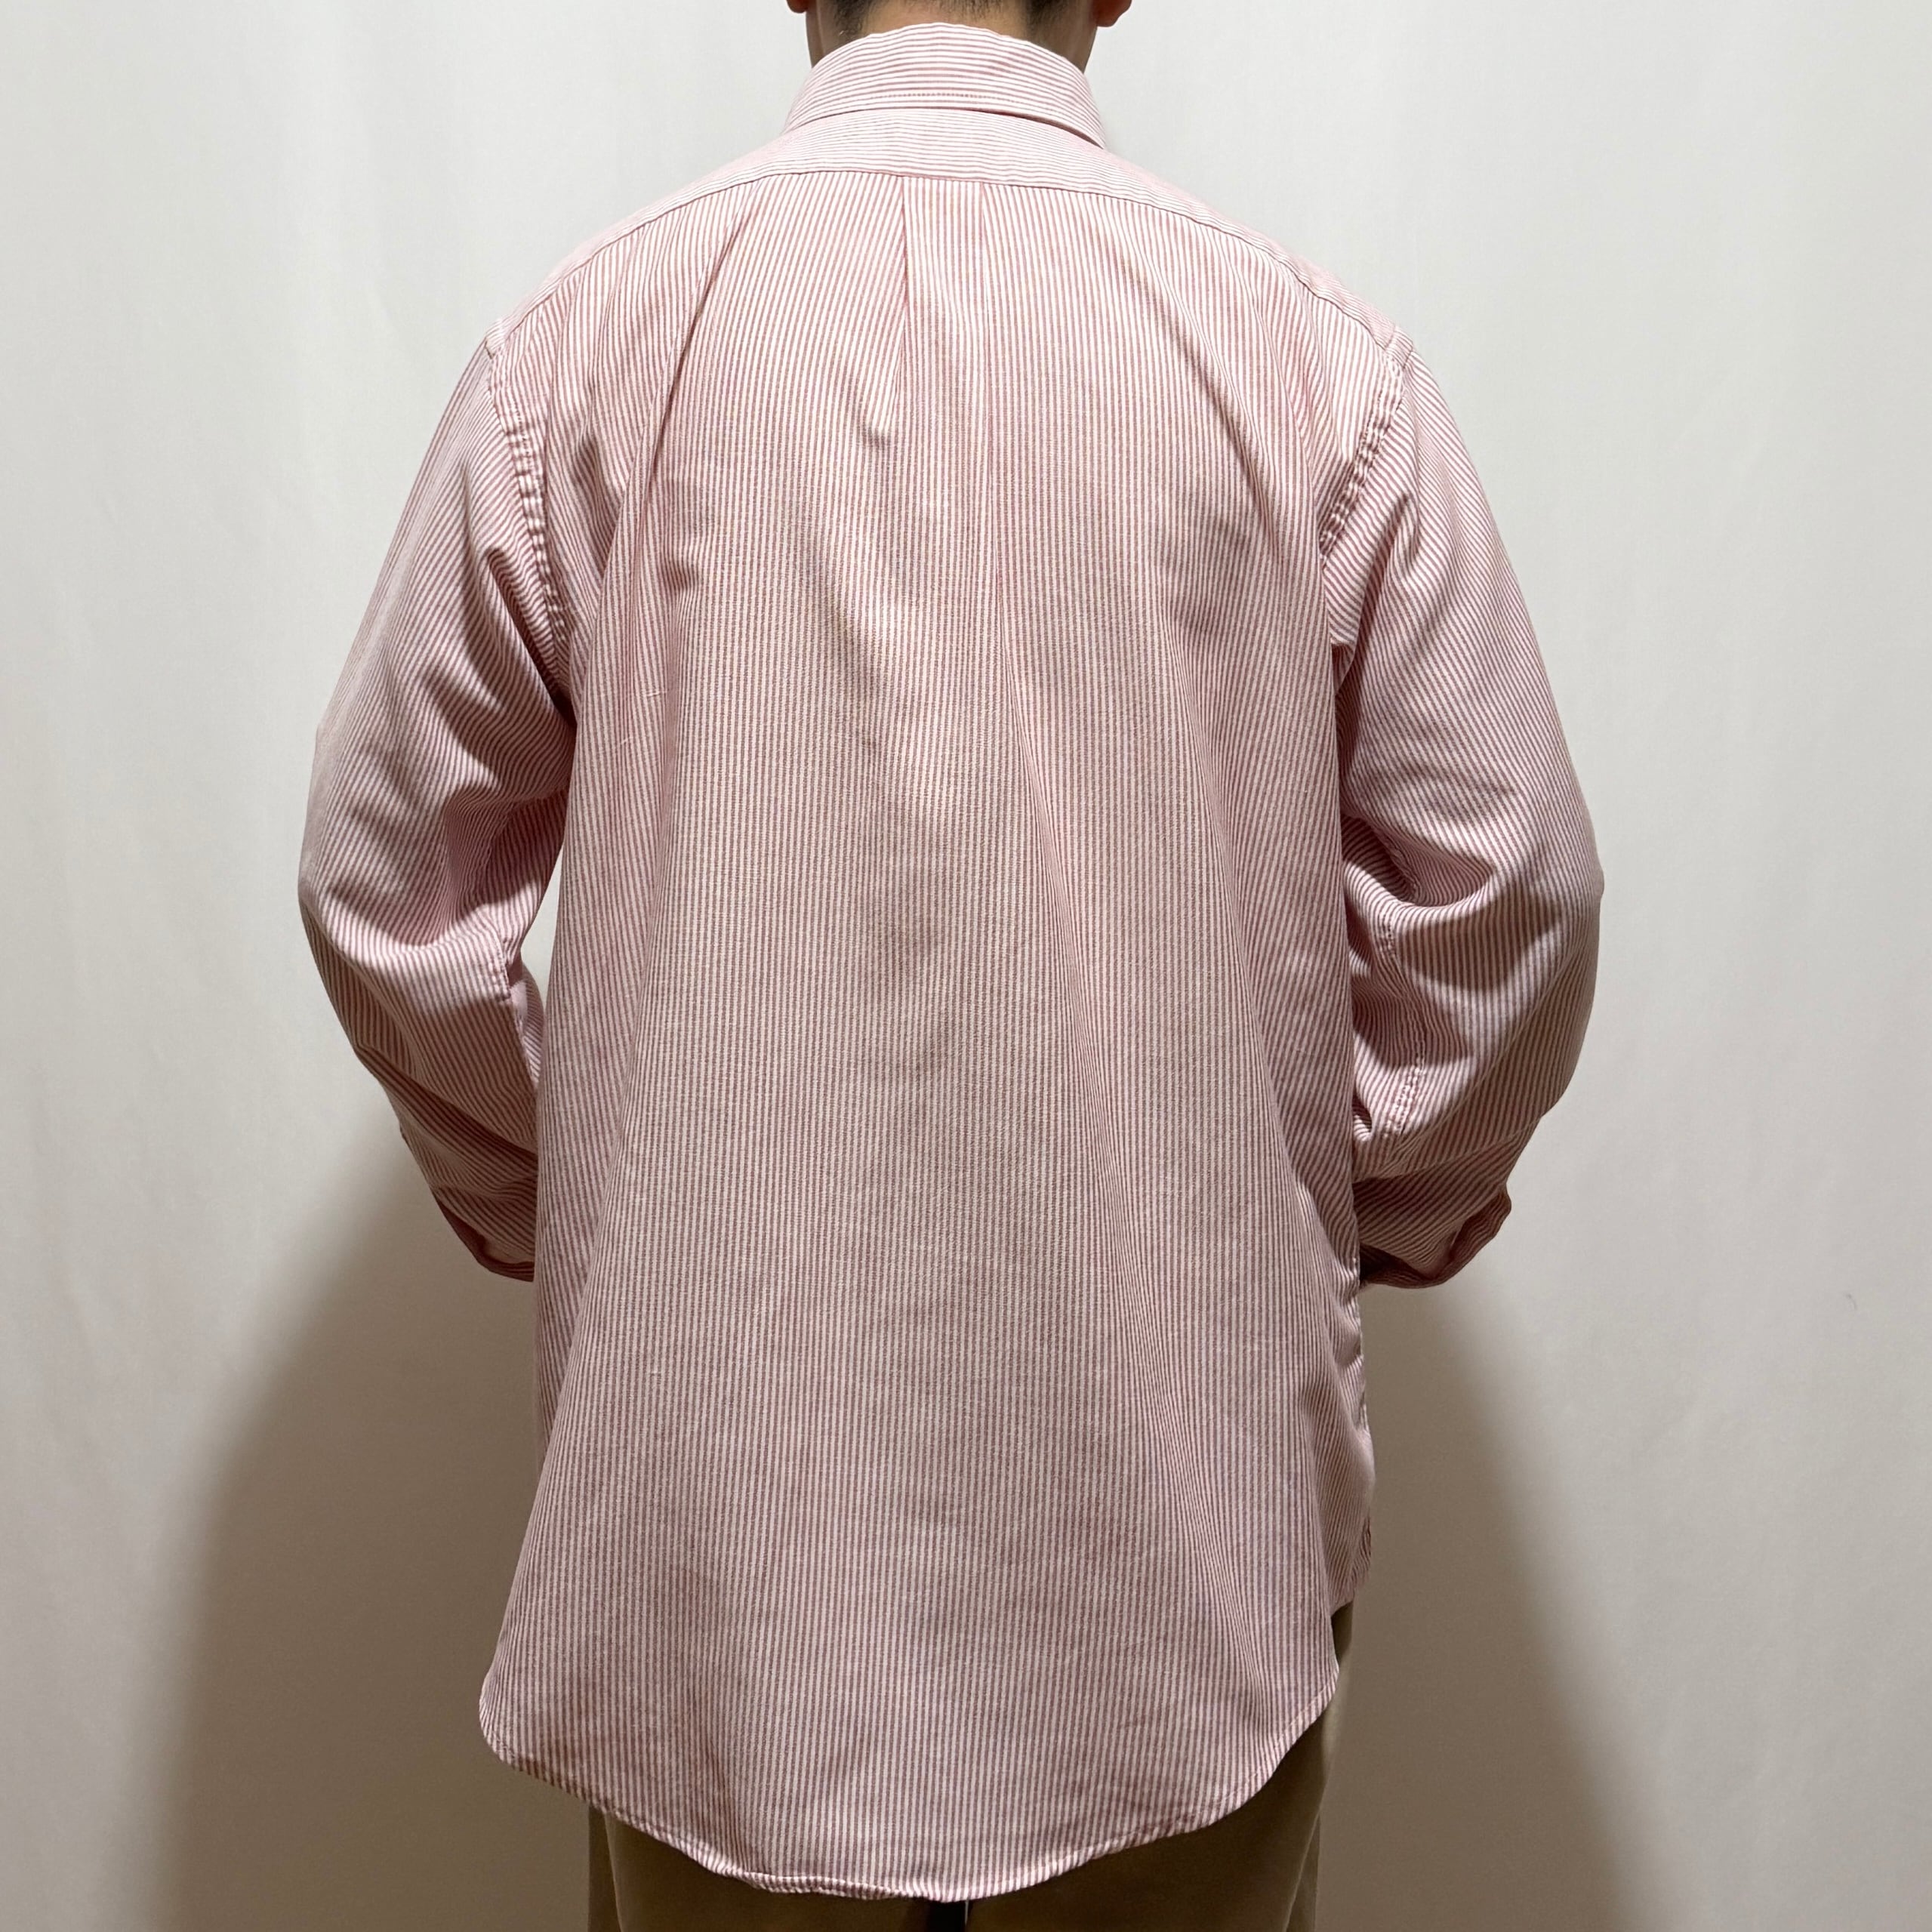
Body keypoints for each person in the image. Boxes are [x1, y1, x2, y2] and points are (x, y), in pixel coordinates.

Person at [298, 2, 1603, 1925]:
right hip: (1176, 1559)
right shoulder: (1312, 365)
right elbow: (1508, 896)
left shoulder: (581, 347)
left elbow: (384, 883)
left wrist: (579, 1196)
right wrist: (1329, 1209)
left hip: (718, 1560)